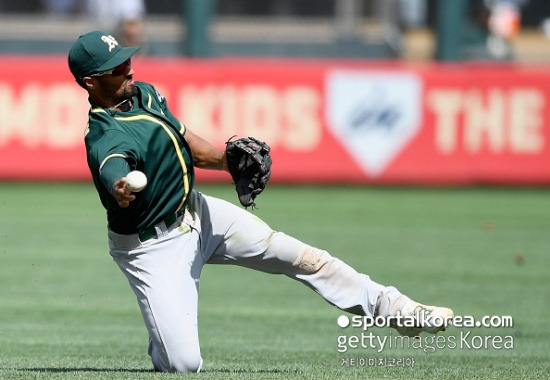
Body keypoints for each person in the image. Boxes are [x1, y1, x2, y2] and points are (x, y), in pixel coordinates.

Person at [68, 30, 454, 373]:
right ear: (91, 83)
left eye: (127, 60)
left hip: (199, 213)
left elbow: (184, 140)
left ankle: (399, 311)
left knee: (302, 256)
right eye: (116, 69)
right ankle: (164, 335)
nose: (128, 70)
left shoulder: (145, 94)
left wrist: (225, 162)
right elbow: (112, 167)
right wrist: (120, 186)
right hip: (153, 246)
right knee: (183, 365)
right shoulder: (106, 134)